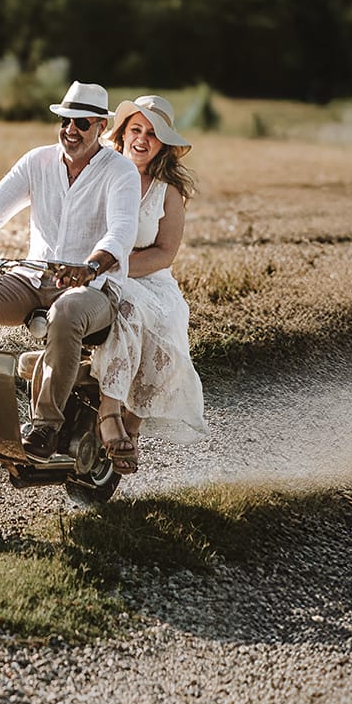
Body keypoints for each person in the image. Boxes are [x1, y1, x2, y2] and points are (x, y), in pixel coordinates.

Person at [0, 80, 139, 458]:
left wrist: (90, 267)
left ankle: (46, 425)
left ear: (101, 127)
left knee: (66, 313)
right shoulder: (36, 160)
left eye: (81, 123)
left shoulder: (120, 172)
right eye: (65, 121)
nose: (71, 130)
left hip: (93, 289)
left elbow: (122, 230)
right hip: (33, 277)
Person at [91, 94, 207, 472]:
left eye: (152, 134)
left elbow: (164, 252)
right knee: (114, 304)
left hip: (150, 281)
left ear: (163, 146)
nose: (142, 139)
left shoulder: (166, 191)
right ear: (121, 134)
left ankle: (125, 420)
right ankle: (97, 407)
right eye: (135, 129)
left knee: (149, 316)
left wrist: (114, 269)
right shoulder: (100, 174)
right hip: (98, 272)